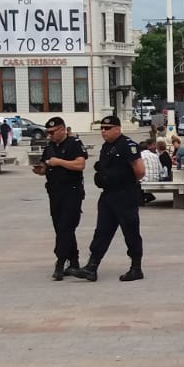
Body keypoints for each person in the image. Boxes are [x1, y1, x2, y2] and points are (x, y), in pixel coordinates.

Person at [71, 115, 145, 282]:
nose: (103, 131)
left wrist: (125, 182)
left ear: (117, 129)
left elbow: (140, 171)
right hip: (108, 195)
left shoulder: (128, 145)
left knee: (130, 232)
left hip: (125, 195)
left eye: (107, 128)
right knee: (102, 231)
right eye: (102, 129)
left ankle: (136, 268)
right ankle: (92, 267)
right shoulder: (106, 147)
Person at [33, 117, 87, 280]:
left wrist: (59, 162)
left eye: (52, 132)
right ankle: (74, 261)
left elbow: (80, 165)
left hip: (71, 192)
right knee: (61, 228)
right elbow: (46, 165)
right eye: (48, 132)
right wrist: (41, 170)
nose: (49, 135)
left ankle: (60, 262)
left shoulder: (74, 144)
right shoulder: (50, 146)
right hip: (54, 193)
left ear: (62, 129)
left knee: (65, 227)